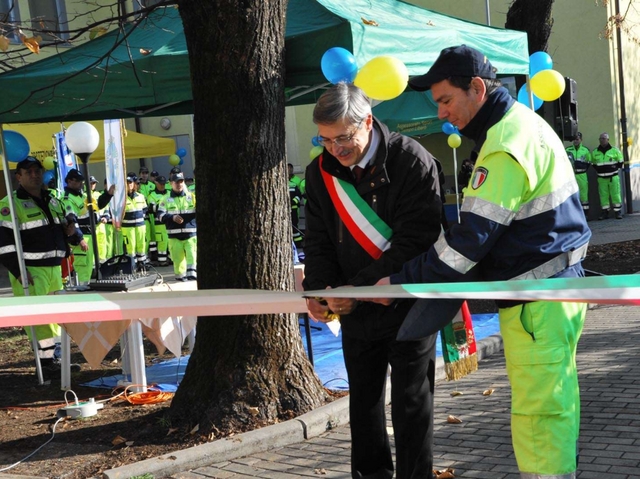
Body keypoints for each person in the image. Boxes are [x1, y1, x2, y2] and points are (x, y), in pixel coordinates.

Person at [367, 45, 591, 479]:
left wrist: (400, 281)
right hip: (555, 292)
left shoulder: (504, 145)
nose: (441, 114)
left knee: (539, 416)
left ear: (477, 89)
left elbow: (466, 247)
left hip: (536, 302)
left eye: (446, 100)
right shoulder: (523, 125)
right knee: (557, 403)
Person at [303, 83, 444, 479]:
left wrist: (355, 290)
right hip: (355, 308)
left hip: (407, 304)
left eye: (344, 137)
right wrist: (321, 289)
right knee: (363, 405)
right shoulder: (320, 173)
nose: (335, 149)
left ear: (367, 121)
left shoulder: (411, 160)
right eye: (325, 140)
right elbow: (317, 240)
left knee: (411, 405)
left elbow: (417, 241)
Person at [0, 157, 83, 373]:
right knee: (38, 317)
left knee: (55, 315)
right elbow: (4, 243)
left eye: (37, 171)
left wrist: (72, 231)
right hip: (30, 270)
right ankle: (45, 364)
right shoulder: (9, 205)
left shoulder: (52, 199)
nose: (34, 175)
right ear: (18, 176)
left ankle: (55, 359)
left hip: (55, 267)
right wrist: (18, 271)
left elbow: (66, 220)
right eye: (28, 172)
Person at [62, 169, 114, 288]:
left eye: (82, 181)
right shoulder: (67, 198)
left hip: (89, 235)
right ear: (69, 181)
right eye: (78, 181)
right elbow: (71, 221)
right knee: (82, 266)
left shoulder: (82, 196)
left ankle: (85, 286)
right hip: (80, 237)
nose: (81, 184)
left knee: (88, 265)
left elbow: (97, 206)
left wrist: (108, 194)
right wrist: (80, 239)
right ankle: (81, 289)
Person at [157, 172, 197, 281]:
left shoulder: (192, 197)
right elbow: (160, 215)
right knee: (178, 261)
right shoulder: (165, 199)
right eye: (176, 182)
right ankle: (180, 278)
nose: (179, 184)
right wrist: (172, 217)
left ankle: (193, 276)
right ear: (170, 183)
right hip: (174, 237)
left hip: (190, 235)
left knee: (192, 257)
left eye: (181, 181)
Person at [591, 132, 624, 220]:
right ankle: (605, 212)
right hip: (601, 178)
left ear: (608, 140)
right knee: (603, 195)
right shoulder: (595, 152)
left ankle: (618, 212)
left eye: (604, 138)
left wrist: (614, 169)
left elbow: (620, 162)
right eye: (600, 138)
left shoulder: (615, 150)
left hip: (613, 177)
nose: (602, 140)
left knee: (615, 194)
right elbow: (593, 164)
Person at [122, 172, 148, 269]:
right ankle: (132, 265)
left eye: (130, 183)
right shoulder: (122, 198)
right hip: (128, 227)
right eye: (127, 183)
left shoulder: (140, 196)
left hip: (140, 225)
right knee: (131, 246)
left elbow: (145, 208)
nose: (129, 185)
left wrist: (142, 215)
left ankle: (142, 264)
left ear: (134, 184)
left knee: (141, 245)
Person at [565, 132, 592, 218]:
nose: (575, 141)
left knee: (584, 195)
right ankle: (573, 215)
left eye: (577, 139)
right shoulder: (568, 150)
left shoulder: (585, 150)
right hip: (571, 176)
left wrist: (582, 169)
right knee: (571, 194)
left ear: (581, 140)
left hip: (582, 175)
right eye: (574, 139)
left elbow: (589, 162)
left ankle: (585, 214)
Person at [147, 175, 170, 266]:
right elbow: (152, 208)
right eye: (161, 184)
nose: (162, 185)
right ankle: (162, 260)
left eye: (164, 184)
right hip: (159, 223)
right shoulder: (152, 195)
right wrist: (165, 207)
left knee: (170, 241)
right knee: (162, 242)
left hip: (169, 221)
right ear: (156, 183)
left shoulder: (169, 193)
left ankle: (171, 259)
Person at [288, 164, 304, 250]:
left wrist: (294, 201)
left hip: (294, 208)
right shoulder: (283, 182)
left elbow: (299, 195)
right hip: (285, 209)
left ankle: (297, 243)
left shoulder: (294, 183)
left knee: (294, 225)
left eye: (290, 168)